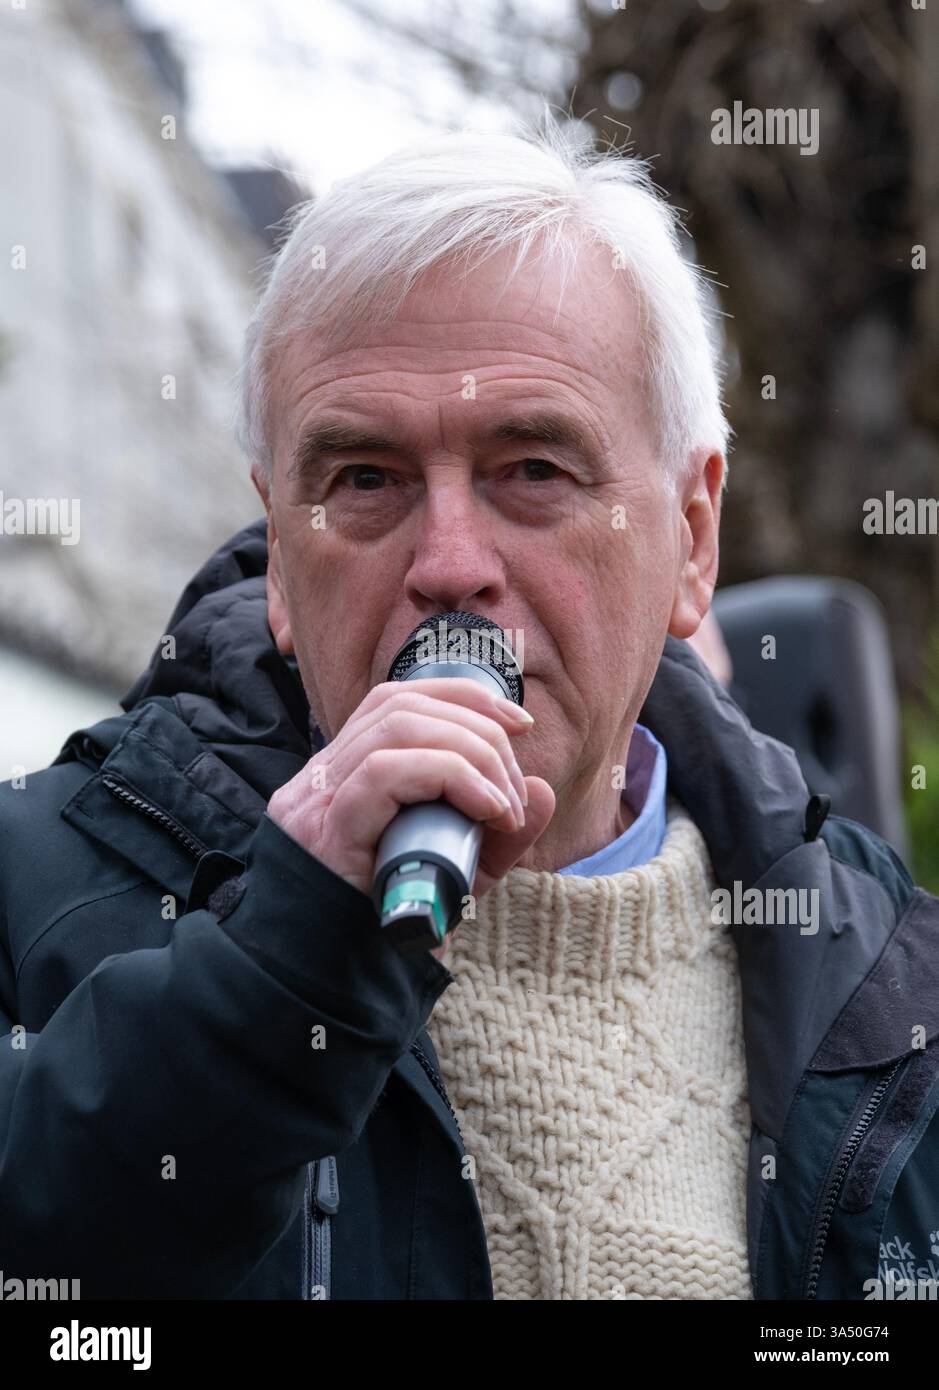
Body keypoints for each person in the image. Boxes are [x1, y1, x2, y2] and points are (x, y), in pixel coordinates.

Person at [2, 116, 937, 1302]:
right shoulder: (33, 900)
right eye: (366, 478)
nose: (449, 562)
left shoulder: (896, 992)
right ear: (281, 561)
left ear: (691, 536)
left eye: (534, 469)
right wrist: (277, 972)